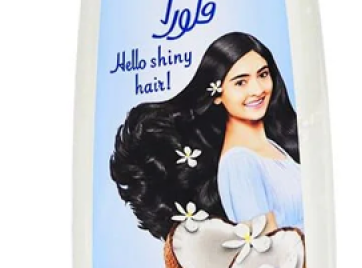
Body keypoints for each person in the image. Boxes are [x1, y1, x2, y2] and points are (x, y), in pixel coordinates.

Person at [110, 32, 302, 239]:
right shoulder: (240, 163)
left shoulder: (273, 147)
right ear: (217, 94)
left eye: (263, 75)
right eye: (240, 82)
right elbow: (268, 248)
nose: (257, 89)